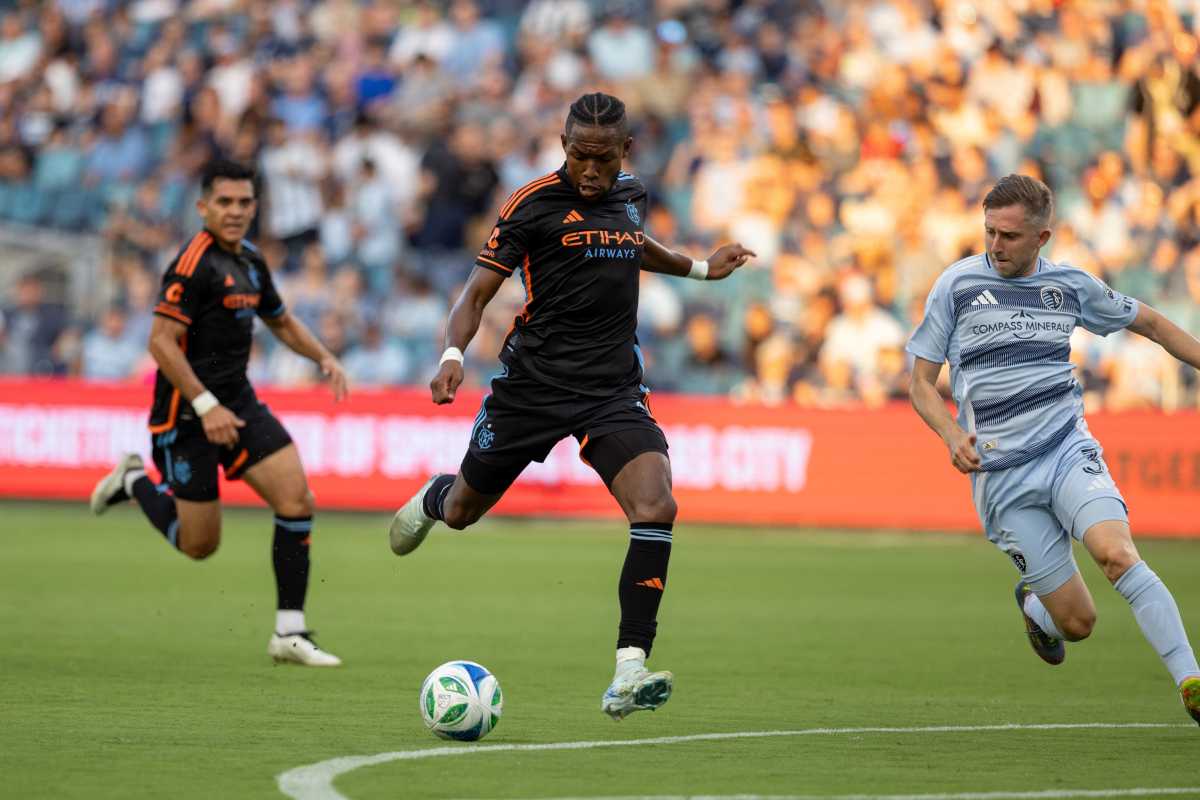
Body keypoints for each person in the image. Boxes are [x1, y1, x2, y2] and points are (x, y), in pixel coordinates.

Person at [387, 92, 754, 719]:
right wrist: (452, 358)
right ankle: (434, 497)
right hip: (531, 388)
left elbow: (634, 245)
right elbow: (476, 295)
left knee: (656, 503)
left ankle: (628, 670)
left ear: (625, 154)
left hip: (611, 389)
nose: (591, 171)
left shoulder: (630, 195)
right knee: (462, 513)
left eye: (603, 159)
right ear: (563, 147)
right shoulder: (531, 205)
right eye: (580, 156)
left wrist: (698, 269)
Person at [907, 174, 1199, 724]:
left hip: (1065, 448)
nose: (995, 246)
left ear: (1042, 238)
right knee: (1078, 624)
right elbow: (920, 383)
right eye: (989, 232)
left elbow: (1156, 325)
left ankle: (1191, 680)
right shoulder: (956, 285)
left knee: (1116, 555)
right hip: (1000, 476)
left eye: (1009, 236)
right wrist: (951, 434)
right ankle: (1037, 604)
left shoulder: (1069, 286)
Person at [88, 159, 348, 667]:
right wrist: (205, 406)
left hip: (240, 403)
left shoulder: (251, 260)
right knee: (199, 545)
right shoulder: (191, 264)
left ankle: (289, 632)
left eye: (244, 202)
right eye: (224, 202)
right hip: (185, 417)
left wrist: (322, 356)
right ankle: (134, 480)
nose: (235, 211)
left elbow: (280, 319)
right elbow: (160, 343)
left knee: (296, 499)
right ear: (203, 206)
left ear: (255, 207)